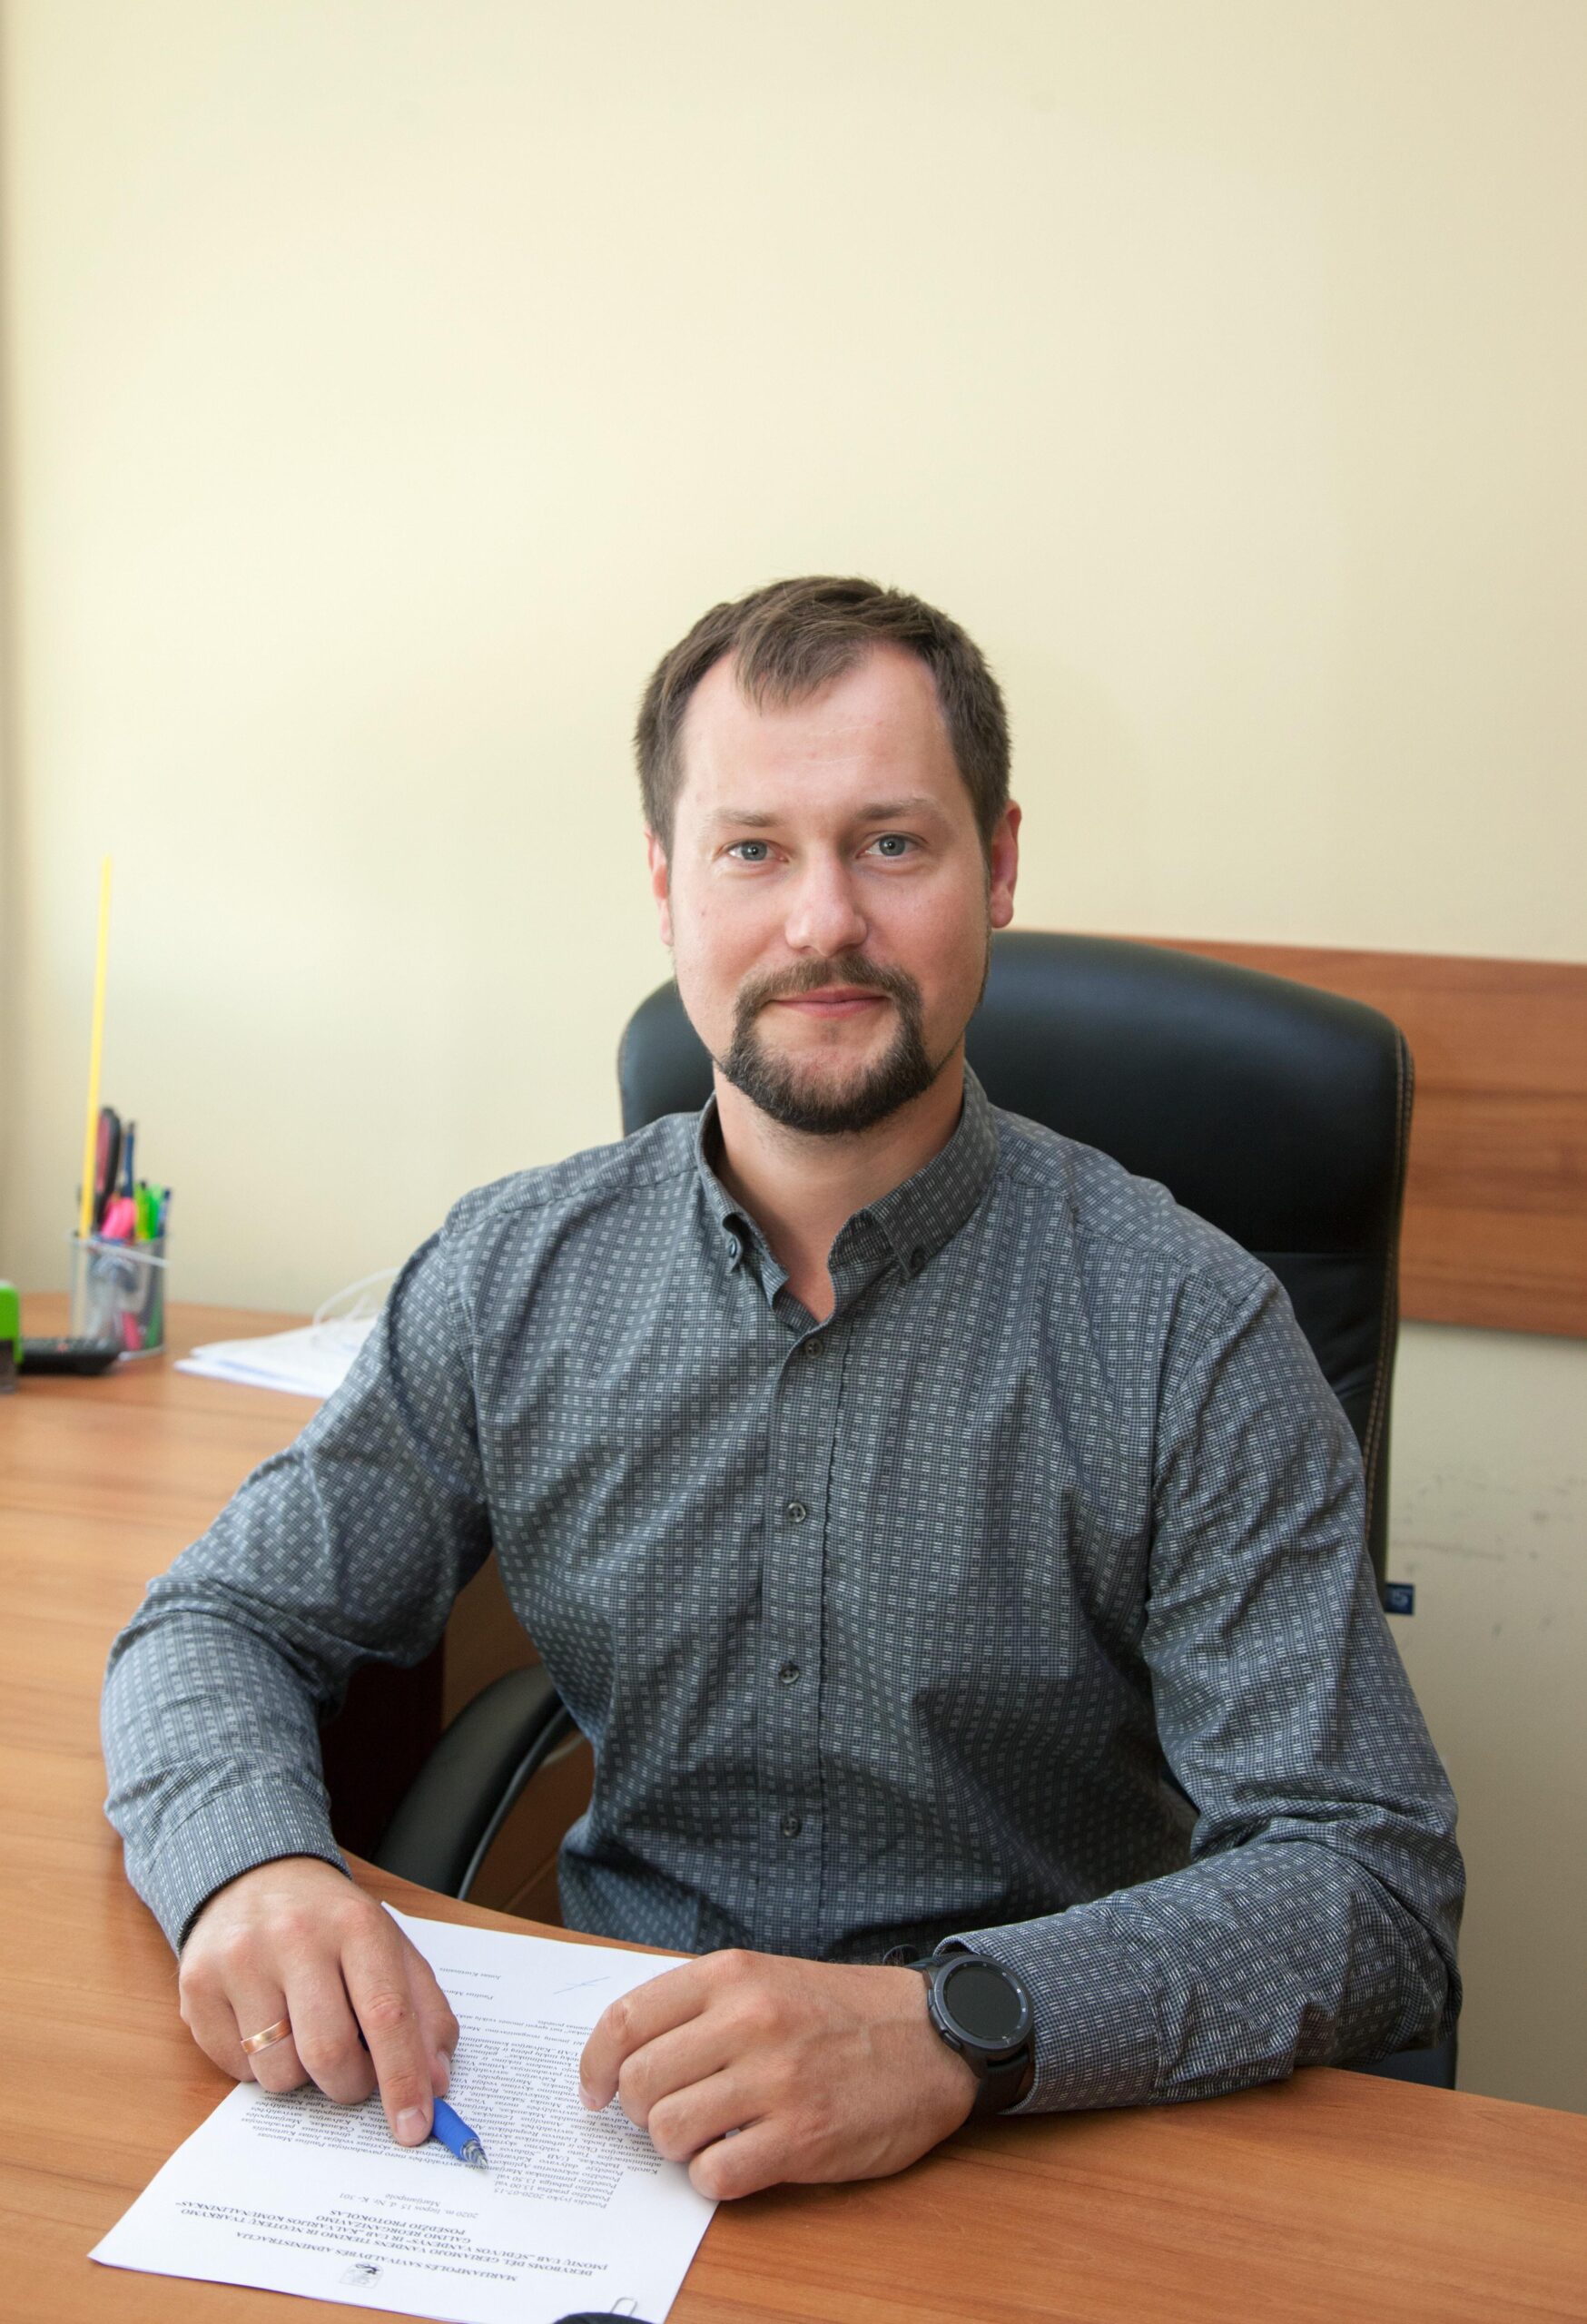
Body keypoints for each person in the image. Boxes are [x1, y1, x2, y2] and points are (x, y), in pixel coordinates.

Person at [103, 576, 1462, 2203]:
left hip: (1042, 2148)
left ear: (997, 866)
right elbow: (217, 1624)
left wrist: (958, 2027)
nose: (823, 921)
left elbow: (1368, 1876)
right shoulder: (513, 1276)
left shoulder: (1188, 1327)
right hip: (612, 2133)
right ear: (666, 885)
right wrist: (249, 1869)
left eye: (891, 843)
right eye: (753, 849)